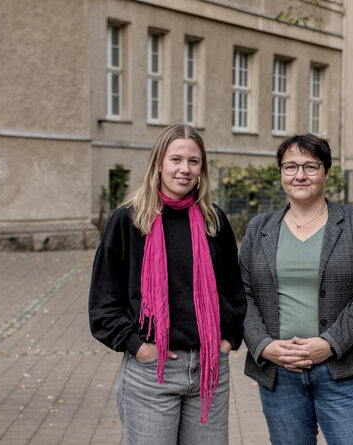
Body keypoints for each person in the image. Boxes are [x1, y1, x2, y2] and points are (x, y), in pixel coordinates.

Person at [88, 124, 247, 444]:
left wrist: (229, 337)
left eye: (194, 161)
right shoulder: (129, 220)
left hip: (209, 371)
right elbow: (103, 302)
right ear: (158, 163)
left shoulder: (213, 220)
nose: (184, 169)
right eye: (176, 159)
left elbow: (234, 288)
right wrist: (137, 347)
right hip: (151, 372)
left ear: (202, 168)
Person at [239, 134, 353, 445]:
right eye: (290, 167)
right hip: (280, 374)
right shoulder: (259, 228)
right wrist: (263, 345)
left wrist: (329, 343)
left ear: (326, 173)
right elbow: (243, 294)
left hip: (341, 372)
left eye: (310, 166)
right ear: (280, 173)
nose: (299, 175)